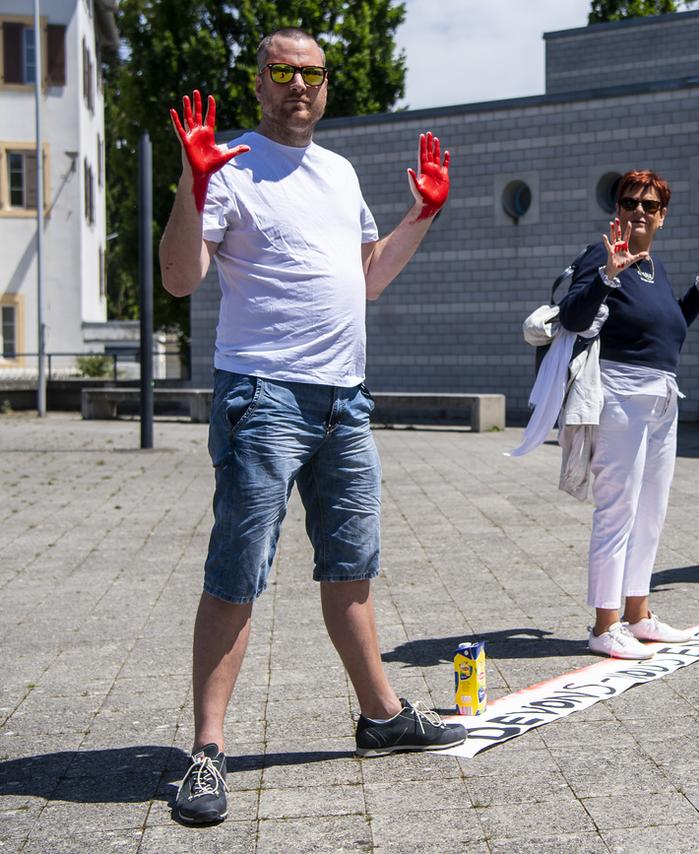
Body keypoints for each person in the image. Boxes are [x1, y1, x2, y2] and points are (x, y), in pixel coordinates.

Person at [157, 28, 465, 825]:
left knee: (351, 568)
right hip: (262, 397)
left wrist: (423, 214)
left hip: (345, 401)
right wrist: (190, 189)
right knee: (238, 571)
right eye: (283, 72)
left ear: (328, 86)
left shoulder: (339, 170)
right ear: (259, 83)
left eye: (313, 73)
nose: (299, 85)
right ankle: (207, 752)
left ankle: (381, 717)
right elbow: (180, 277)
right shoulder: (228, 166)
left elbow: (366, 279)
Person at [557, 170, 699, 659]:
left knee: (651, 512)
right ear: (617, 209)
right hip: (620, 395)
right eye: (630, 201)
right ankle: (604, 625)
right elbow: (572, 317)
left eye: (649, 205)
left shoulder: (655, 266)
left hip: (662, 398)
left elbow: (667, 329)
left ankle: (637, 615)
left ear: (662, 216)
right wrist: (608, 274)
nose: (638, 210)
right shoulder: (603, 253)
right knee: (618, 510)